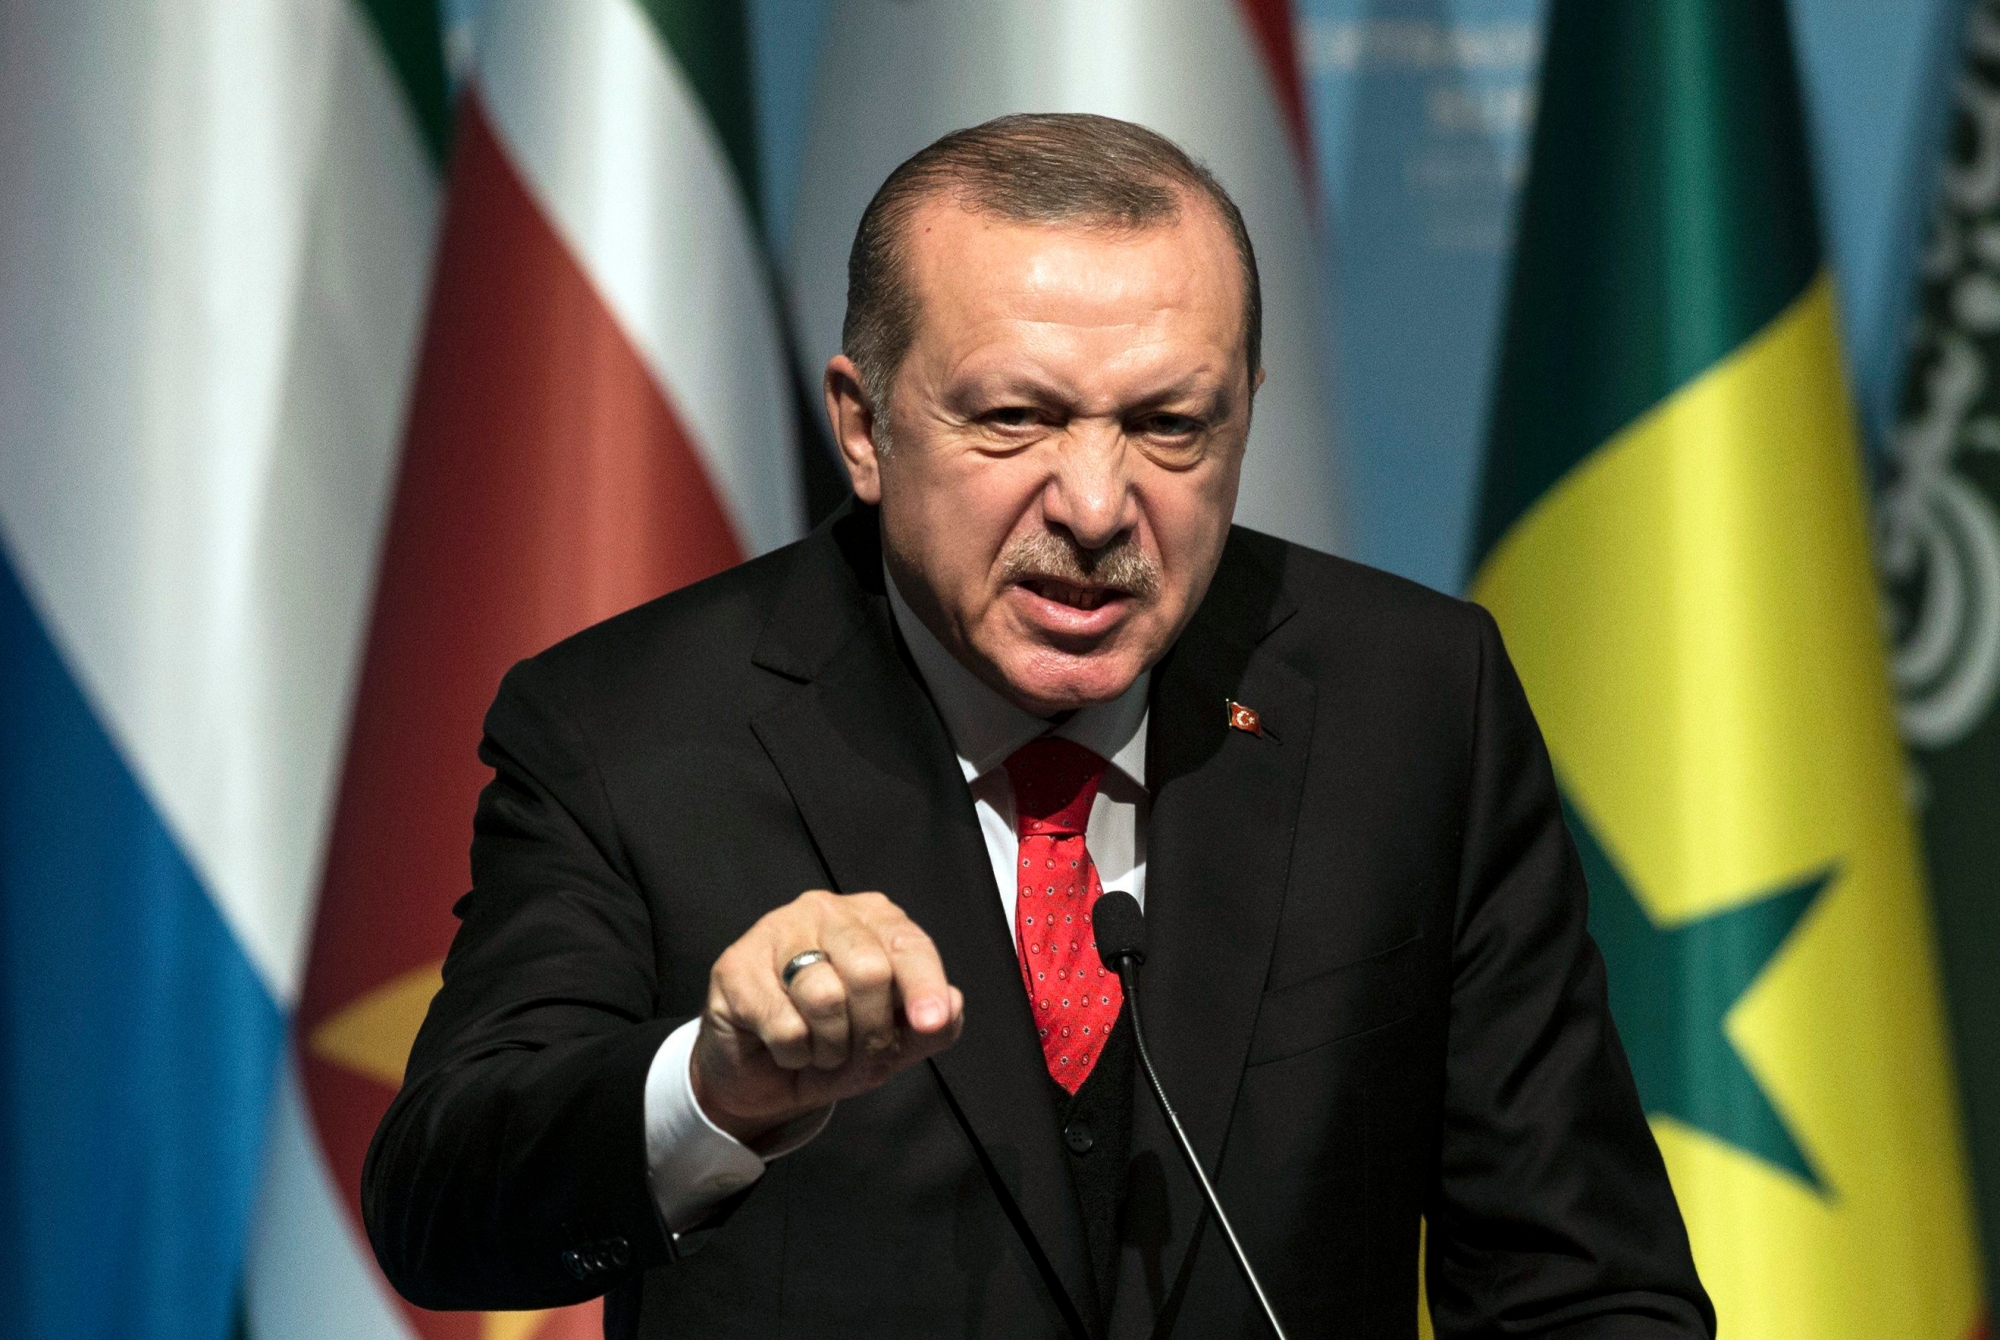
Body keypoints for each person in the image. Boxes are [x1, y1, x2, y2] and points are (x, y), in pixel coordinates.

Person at [363, 113, 1713, 1338]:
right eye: (1014, 418)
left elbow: (1584, 1288)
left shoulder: (1409, 699)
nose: (1095, 503)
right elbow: (444, 1205)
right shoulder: (635, 726)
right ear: (865, 427)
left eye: (1169, 425)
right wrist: (712, 1092)